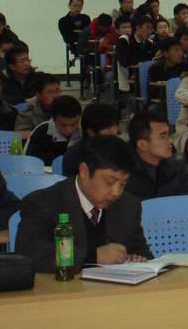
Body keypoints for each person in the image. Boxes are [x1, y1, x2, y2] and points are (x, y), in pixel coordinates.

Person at [16, 135, 152, 272]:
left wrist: (137, 260)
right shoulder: (42, 203)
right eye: (109, 182)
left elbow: (143, 254)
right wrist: (92, 256)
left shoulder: (128, 205)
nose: (116, 192)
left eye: (123, 184)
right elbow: (30, 255)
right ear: (84, 171)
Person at [124, 110, 188, 199]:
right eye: (162, 136)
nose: (170, 141)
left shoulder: (175, 167)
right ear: (143, 145)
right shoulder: (123, 174)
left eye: (168, 135)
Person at [60, 103, 120, 176]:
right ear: (91, 132)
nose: (113, 132)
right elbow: (70, 182)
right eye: (107, 128)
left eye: (114, 125)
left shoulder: (121, 151)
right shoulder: (73, 155)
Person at [25, 95, 82, 166]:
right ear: (53, 120)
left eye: (74, 124)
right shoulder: (41, 132)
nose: (69, 130)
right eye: (63, 125)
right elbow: (29, 163)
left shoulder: (84, 132)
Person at [15, 73, 61, 139]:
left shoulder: (65, 109)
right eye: (50, 92)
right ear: (39, 95)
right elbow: (19, 135)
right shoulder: (27, 114)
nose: (56, 96)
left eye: (57, 91)